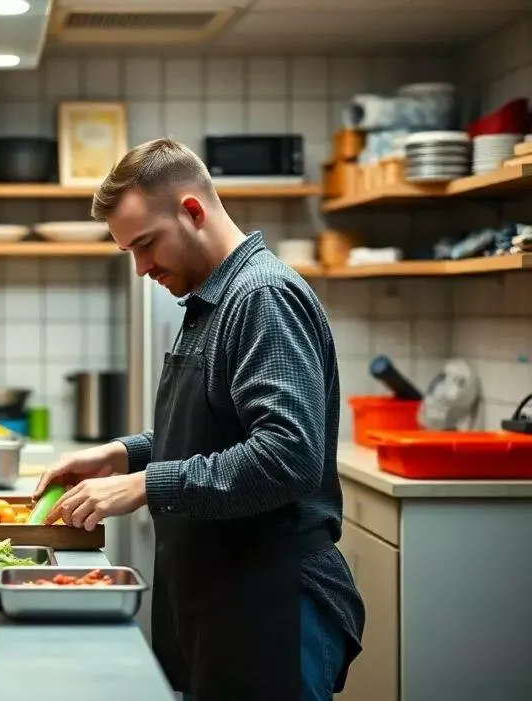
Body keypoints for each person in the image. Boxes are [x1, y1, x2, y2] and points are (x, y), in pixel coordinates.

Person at [34, 139, 365, 701]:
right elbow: (215, 427)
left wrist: (145, 484)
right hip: (224, 592)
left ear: (192, 210)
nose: (141, 268)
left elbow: (287, 457)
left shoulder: (262, 297)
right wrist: (123, 453)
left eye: (145, 244)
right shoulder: (211, 298)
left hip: (273, 601)